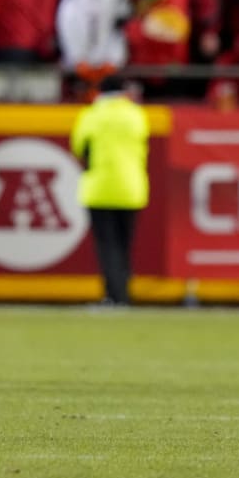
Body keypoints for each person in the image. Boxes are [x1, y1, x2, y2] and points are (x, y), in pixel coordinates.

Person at [69, 74, 150, 306]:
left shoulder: (92, 115)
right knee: (125, 246)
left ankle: (114, 296)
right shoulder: (136, 114)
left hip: (100, 188)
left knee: (107, 246)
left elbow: (79, 148)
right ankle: (124, 293)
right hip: (132, 188)